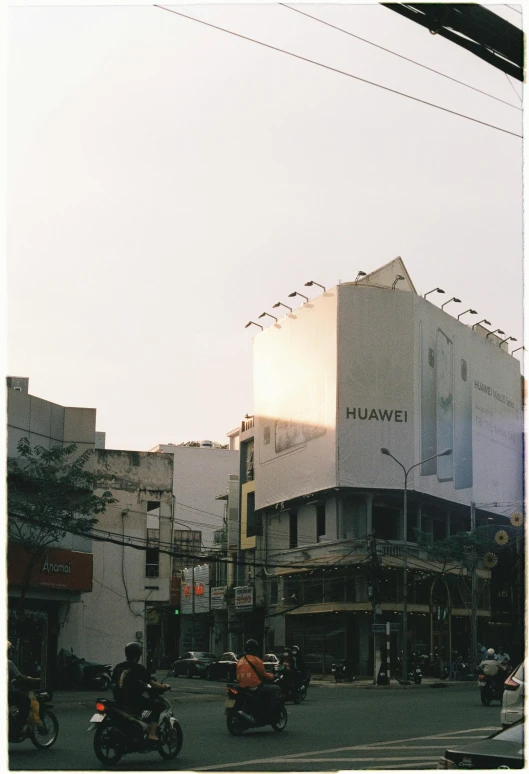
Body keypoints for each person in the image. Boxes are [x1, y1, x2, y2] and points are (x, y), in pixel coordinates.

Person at [111, 641, 170, 741]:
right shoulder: (139, 668)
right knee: (157, 706)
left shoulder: (118, 666)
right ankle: (151, 733)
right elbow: (152, 684)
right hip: (133, 700)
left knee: (144, 708)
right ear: (138, 655)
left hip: (118, 700)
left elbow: (113, 683)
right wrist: (163, 687)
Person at [236, 639, 280, 724]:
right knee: (276, 689)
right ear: (255, 649)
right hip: (253, 686)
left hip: (241, 686)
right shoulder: (256, 660)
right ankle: (269, 712)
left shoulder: (240, 660)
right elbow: (263, 674)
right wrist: (273, 676)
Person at [8, 641, 40, 731]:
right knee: (26, 701)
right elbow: (20, 677)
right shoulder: (9, 663)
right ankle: (19, 726)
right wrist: (35, 679)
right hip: (8, 692)